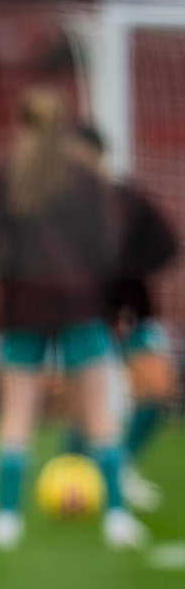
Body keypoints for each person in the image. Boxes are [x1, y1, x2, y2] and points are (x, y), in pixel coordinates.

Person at [0, 90, 143, 551]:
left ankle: (5, 520)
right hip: (81, 306)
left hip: (24, 308)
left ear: (21, 125)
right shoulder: (85, 178)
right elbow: (106, 250)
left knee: (16, 414)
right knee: (99, 413)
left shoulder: (7, 174)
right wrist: (119, 307)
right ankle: (118, 518)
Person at [74, 123, 177, 509]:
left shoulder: (126, 200)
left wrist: (126, 281)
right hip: (81, 317)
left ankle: (124, 466)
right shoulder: (62, 206)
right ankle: (75, 473)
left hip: (132, 316)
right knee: (85, 397)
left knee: (159, 388)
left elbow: (167, 245)